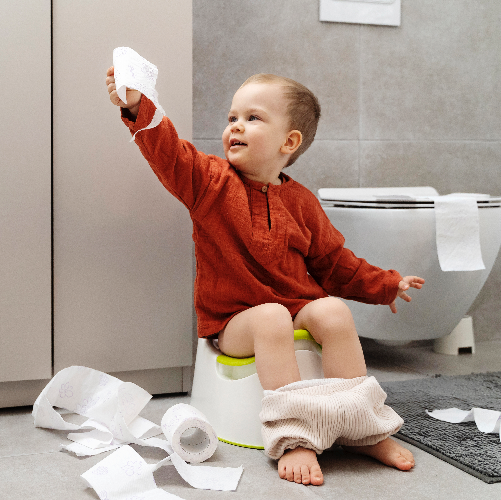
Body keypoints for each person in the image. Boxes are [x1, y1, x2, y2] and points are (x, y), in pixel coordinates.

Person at [105, 66, 424, 486]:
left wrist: (385, 284)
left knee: (332, 311)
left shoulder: (302, 202)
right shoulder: (209, 182)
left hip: (292, 307)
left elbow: (334, 263)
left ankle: (360, 427)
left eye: (252, 118)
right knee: (272, 316)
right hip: (234, 320)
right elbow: (169, 152)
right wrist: (135, 105)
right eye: (232, 117)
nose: (235, 126)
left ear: (288, 142)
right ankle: (294, 437)